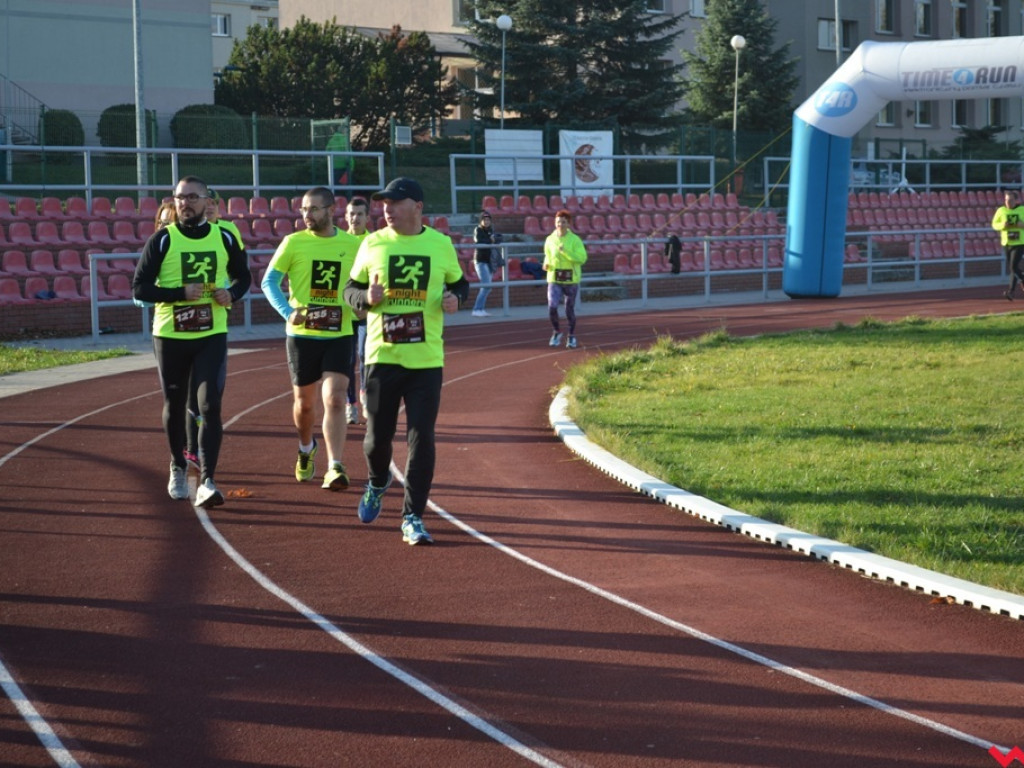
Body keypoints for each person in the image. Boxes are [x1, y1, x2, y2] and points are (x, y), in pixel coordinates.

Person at [343, 176, 469, 545]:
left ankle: (413, 516)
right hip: (382, 357)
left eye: (394, 202)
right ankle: (378, 480)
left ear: (417, 207)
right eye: (383, 203)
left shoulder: (441, 244)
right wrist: (366, 297)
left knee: (421, 439)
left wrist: (456, 300)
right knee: (375, 439)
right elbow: (349, 290)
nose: (387, 209)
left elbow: (461, 284)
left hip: (426, 360)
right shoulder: (372, 242)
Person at [132, 175, 251, 507]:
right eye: (179, 197)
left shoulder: (224, 237)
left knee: (210, 404)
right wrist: (179, 294)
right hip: (171, 335)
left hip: (211, 333)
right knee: (174, 403)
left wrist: (233, 294)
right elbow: (140, 288)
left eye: (192, 197)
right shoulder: (162, 240)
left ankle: (208, 479)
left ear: (206, 201)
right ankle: (178, 464)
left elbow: (244, 277)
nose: (185, 203)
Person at [261, 187, 362, 491]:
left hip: (339, 332)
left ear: (331, 210)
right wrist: (287, 311)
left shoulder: (353, 245)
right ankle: (306, 448)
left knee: (334, 398)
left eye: (314, 209)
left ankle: (335, 465)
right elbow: (269, 282)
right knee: (305, 406)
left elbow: (364, 282)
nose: (307, 215)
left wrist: (363, 304)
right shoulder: (293, 243)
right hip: (302, 335)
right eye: (304, 209)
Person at [542, 209, 588, 349]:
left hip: (571, 279)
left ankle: (571, 336)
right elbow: (547, 254)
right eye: (558, 222)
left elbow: (582, 258)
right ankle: (557, 331)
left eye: (563, 222)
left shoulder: (575, 240)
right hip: (554, 278)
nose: (560, 224)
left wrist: (566, 252)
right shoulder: (550, 239)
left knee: (569, 309)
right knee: (552, 306)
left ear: (568, 224)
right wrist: (546, 263)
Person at [344, 196, 371, 424]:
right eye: (351, 214)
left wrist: (368, 305)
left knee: (364, 356)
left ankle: (364, 396)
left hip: (365, 312)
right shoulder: (338, 241)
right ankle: (349, 404)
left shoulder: (373, 242)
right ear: (345, 216)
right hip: (342, 313)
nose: (355, 218)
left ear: (367, 217)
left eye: (359, 214)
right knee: (346, 360)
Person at [992, 189, 1024, 300]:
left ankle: (1011, 291)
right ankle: (1013, 289)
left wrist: (1022, 225)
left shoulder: (1022, 210)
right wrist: (1002, 225)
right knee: (1013, 268)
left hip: (1020, 242)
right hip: (1006, 242)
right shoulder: (1001, 211)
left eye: (1010, 200)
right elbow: (995, 224)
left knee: (1013, 266)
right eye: (1006, 200)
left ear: (1016, 200)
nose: (1008, 202)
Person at [471, 211, 500, 317]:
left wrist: (495, 239)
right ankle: (476, 309)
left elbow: (495, 240)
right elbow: (479, 241)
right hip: (480, 261)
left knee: (488, 286)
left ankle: (481, 308)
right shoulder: (477, 229)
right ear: (481, 221)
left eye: (488, 220)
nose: (486, 222)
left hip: (489, 261)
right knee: (486, 285)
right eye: (484, 220)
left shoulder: (491, 230)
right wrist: (490, 240)